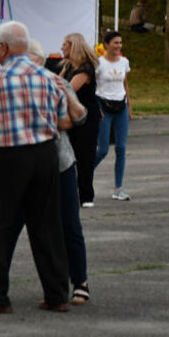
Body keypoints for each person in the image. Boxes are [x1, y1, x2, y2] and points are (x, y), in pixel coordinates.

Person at [0, 21, 71, 314]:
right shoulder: (48, 78)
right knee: (47, 226)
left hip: (7, 158)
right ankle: (58, 294)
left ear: (3, 48)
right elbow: (63, 121)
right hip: (46, 155)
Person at [27, 39, 91, 306]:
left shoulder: (55, 83)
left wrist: (44, 119)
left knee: (69, 225)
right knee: (15, 227)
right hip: (25, 166)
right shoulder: (12, 84)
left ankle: (80, 282)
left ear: (38, 61)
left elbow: (77, 117)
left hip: (60, 162)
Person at [58, 33, 100, 207]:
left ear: (73, 46)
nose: (62, 47)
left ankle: (86, 195)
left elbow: (67, 89)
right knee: (67, 155)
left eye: (64, 44)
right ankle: (69, 192)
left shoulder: (85, 69)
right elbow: (58, 83)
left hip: (86, 118)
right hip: (72, 117)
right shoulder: (68, 67)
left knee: (85, 156)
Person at [94, 31, 133, 202]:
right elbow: (91, 87)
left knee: (121, 148)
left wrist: (129, 107)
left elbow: (125, 85)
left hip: (121, 107)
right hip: (104, 107)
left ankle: (118, 188)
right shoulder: (99, 63)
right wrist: (97, 108)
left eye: (121, 42)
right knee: (102, 149)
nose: (118, 46)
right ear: (106, 44)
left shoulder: (124, 62)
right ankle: (81, 176)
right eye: (115, 42)